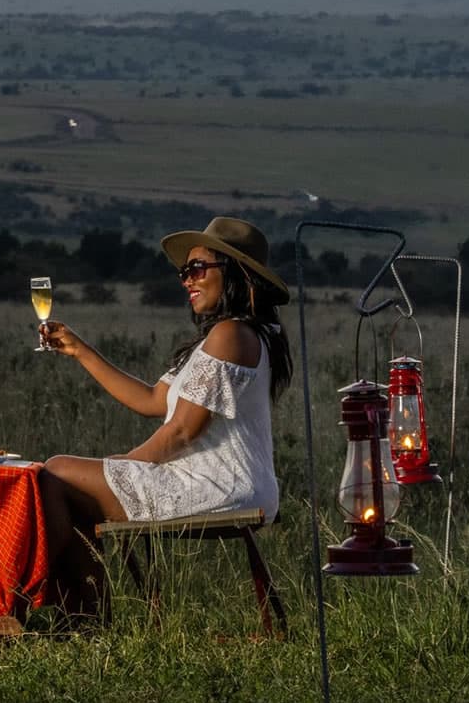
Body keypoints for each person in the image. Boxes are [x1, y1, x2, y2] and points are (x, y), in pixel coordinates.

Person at [36, 216, 292, 616]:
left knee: (54, 473)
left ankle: (51, 604)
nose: (186, 280)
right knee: (67, 482)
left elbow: (181, 432)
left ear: (236, 273)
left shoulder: (232, 335)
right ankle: (81, 614)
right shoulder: (224, 337)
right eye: (183, 271)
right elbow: (153, 399)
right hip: (217, 480)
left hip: (218, 484)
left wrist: (124, 464)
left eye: (196, 268)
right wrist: (80, 350)